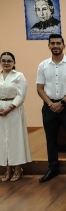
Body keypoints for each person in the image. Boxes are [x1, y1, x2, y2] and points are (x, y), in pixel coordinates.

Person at [36, 34, 66, 183]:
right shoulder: (43, 65)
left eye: (58, 43)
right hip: (49, 106)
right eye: (52, 43)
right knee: (50, 139)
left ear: (63, 45)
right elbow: (40, 88)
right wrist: (50, 104)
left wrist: (62, 103)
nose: (55, 46)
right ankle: (52, 168)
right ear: (49, 45)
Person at [0, 52, 32, 181]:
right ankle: (7, 169)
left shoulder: (19, 76)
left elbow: (21, 95)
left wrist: (9, 108)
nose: (6, 63)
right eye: (3, 60)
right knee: (2, 140)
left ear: (14, 63)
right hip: (0, 110)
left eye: (9, 60)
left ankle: (18, 168)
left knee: (15, 138)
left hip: (14, 110)